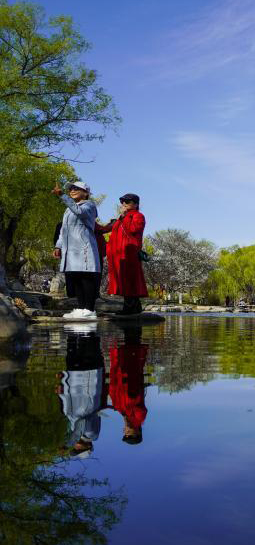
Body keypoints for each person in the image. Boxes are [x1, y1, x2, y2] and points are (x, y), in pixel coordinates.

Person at [52, 180, 101, 317]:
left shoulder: (89, 205)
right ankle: (80, 308)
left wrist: (62, 196)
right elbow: (63, 230)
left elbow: (80, 212)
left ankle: (89, 309)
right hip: (70, 249)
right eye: (70, 189)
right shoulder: (68, 209)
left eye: (76, 188)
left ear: (85, 193)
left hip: (83, 248)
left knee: (86, 277)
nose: (72, 190)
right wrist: (58, 246)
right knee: (76, 277)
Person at [57, 324, 105, 457]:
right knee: (88, 342)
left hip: (73, 379)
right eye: (78, 449)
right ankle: (87, 319)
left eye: (75, 448)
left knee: (72, 346)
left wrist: (62, 388)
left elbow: (68, 408)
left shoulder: (75, 430)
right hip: (88, 377)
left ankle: (73, 322)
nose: (76, 446)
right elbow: (81, 421)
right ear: (88, 446)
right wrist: (68, 444)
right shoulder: (91, 433)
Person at [100, 193, 148, 315]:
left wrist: (124, 217)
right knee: (122, 280)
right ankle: (133, 307)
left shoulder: (138, 216)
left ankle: (130, 308)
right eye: (122, 202)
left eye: (127, 201)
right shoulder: (120, 219)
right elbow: (104, 230)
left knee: (130, 280)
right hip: (117, 255)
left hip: (130, 253)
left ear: (136, 204)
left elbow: (132, 230)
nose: (124, 204)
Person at [109, 325, 148, 445]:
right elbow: (134, 399)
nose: (126, 431)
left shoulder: (122, 413)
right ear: (138, 432)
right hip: (129, 371)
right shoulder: (139, 417)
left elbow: (114, 391)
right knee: (131, 341)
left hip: (120, 371)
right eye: (129, 434)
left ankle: (127, 324)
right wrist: (127, 418)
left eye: (125, 434)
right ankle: (132, 324)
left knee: (122, 342)